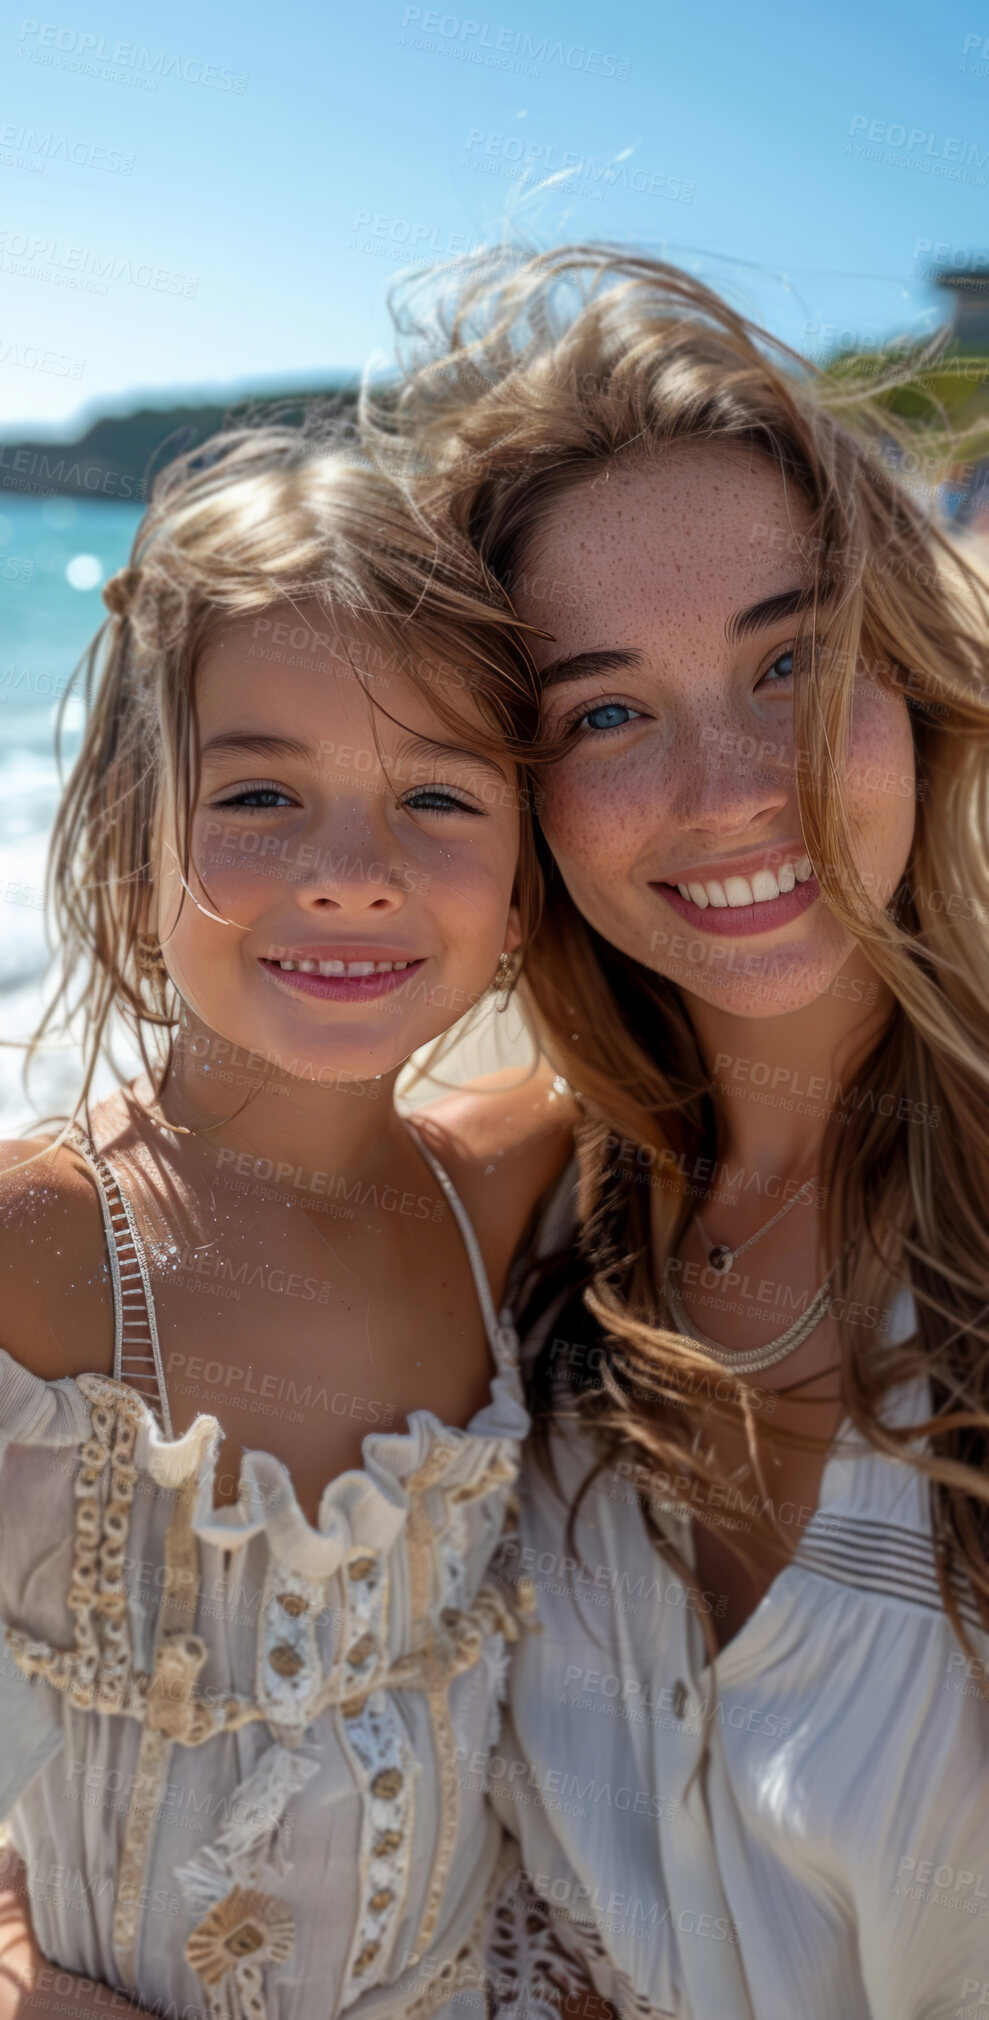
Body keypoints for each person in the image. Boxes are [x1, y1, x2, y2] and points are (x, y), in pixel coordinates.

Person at [376, 243, 989, 2018]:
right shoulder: (502, 1226)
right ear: (515, 793)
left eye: (789, 663)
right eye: (608, 712)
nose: (726, 788)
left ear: (910, 684)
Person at [0, 427, 582, 2020]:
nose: (349, 870)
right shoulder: (49, 1249)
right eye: (258, 791)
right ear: (132, 849)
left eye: (439, 797)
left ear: (528, 882)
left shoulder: (505, 1189)